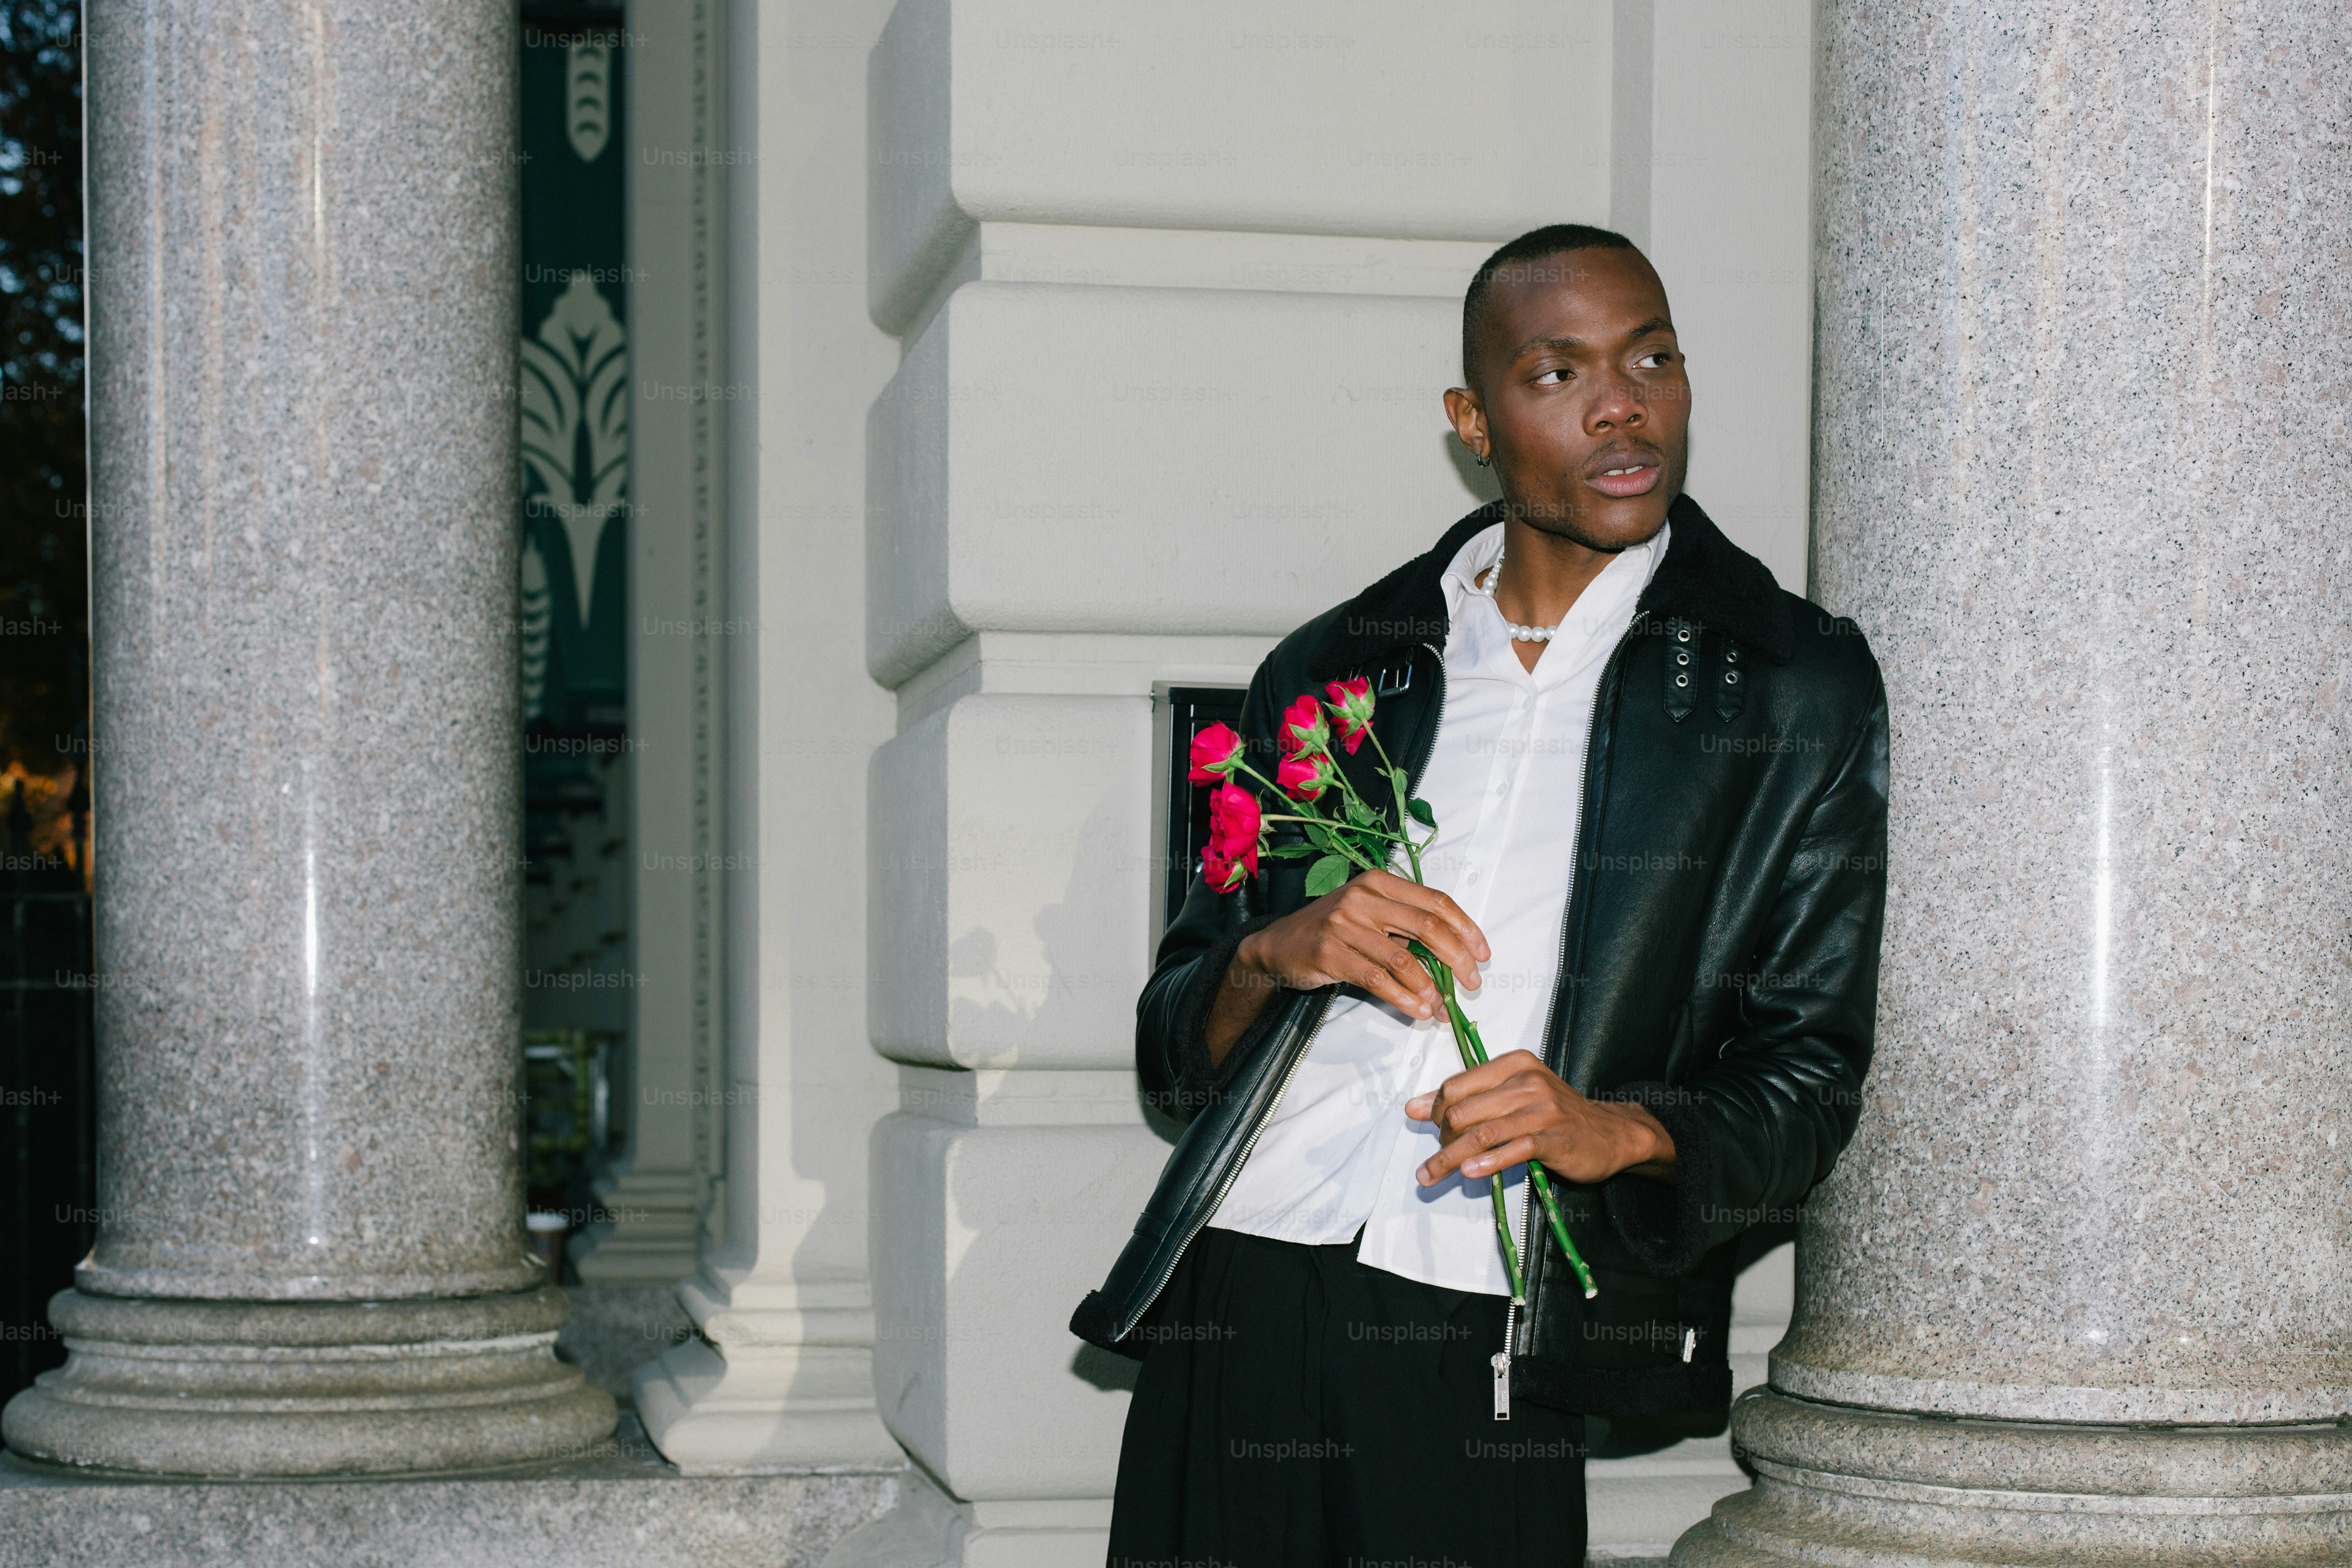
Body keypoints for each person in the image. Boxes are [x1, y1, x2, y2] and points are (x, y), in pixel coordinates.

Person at [1071, 223, 1888, 1566]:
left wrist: (1614, 1128)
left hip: (1485, 1311)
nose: (1621, 405)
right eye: (1557, 373)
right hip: (1248, 1272)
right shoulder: (1344, 661)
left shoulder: (1789, 685)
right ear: (1473, 421)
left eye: (1653, 359)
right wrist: (1272, 955)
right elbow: (1175, 1052)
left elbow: (1807, 1083)